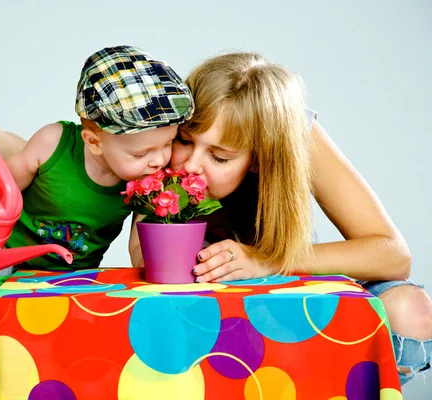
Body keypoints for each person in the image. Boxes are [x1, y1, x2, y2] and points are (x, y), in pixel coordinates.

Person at [127, 51, 431, 386]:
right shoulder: (159, 144)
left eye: (220, 156)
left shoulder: (294, 133)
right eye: (185, 141)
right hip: (208, 312)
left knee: (409, 308)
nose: (191, 165)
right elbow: (144, 264)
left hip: (286, 296)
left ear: (259, 157)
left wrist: (268, 260)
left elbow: (393, 254)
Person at [0, 45, 194, 336]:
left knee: (60, 367)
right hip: (7, 277)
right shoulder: (53, 143)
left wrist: (167, 263)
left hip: (73, 286)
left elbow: (139, 247)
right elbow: (1, 188)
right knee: (5, 360)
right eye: (142, 153)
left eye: (167, 143)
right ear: (94, 142)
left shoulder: (145, 183)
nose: (158, 160)